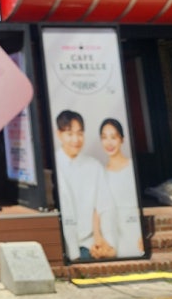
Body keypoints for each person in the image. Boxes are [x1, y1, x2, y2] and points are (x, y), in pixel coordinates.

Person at [54, 109, 116, 261]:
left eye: (80, 133)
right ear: (59, 135)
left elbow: (104, 206)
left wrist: (101, 239)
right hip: (60, 245)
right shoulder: (53, 165)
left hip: (89, 244)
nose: (76, 139)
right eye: (70, 134)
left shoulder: (94, 166)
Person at [99, 118, 144, 257]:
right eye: (104, 137)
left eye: (113, 137)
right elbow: (99, 209)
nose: (109, 143)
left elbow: (143, 202)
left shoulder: (133, 167)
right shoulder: (101, 174)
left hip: (135, 228)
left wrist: (143, 233)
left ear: (122, 139)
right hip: (112, 232)